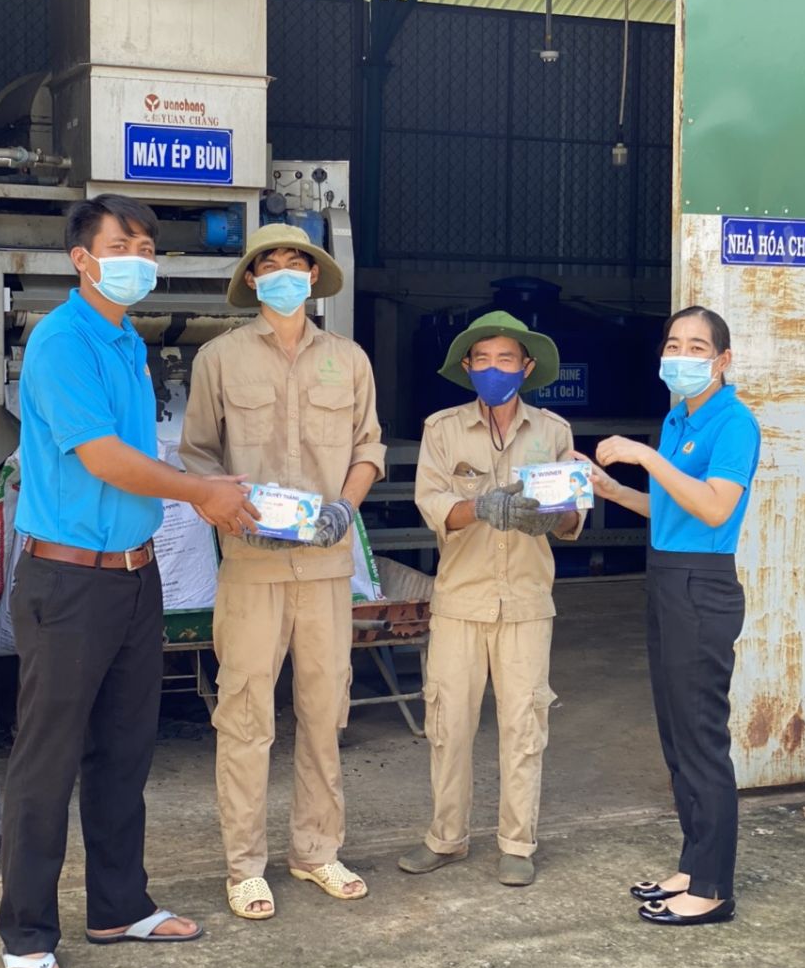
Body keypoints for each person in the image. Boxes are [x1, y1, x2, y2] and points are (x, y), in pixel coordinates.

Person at [0, 194, 258, 968]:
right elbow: (105, 459)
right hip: (70, 581)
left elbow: (138, 459)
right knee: (47, 762)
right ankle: (27, 934)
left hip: (134, 577)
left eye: (147, 247)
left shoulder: (127, 344)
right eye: (122, 245)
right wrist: (203, 494)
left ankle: (119, 908)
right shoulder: (61, 341)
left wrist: (199, 489)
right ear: (82, 258)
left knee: (123, 751)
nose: (138, 259)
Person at [179, 223, 385, 920]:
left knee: (325, 713)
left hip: (325, 566)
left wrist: (344, 508)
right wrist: (229, 512)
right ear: (252, 280)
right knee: (245, 717)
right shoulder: (220, 358)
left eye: (297, 263)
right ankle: (244, 867)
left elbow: (368, 446)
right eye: (270, 265)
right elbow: (198, 457)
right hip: (252, 567)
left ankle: (316, 851)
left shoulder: (348, 360)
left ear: (314, 276)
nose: (285, 274)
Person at [398, 311, 585, 887]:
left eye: (506, 359)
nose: (494, 369)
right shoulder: (442, 429)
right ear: (467, 367)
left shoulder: (552, 431)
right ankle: (446, 838)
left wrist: (553, 517)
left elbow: (572, 516)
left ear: (526, 368)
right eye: (483, 359)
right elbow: (431, 503)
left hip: (526, 602)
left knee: (524, 727)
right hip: (460, 600)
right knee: (448, 725)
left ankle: (517, 843)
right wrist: (479, 507)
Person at [587, 305, 760, 926]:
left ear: (723, 359)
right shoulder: (678, 416)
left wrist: (645, 457)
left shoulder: (734, 423)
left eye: (696, 347)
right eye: (673, 344)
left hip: (701, 584)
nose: (681, 356)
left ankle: (713, 890)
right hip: (666, 574)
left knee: (702, 737)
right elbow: (670, 508)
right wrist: (611, 490)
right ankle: (693, 864)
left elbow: (714, 509)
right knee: (676, 735)